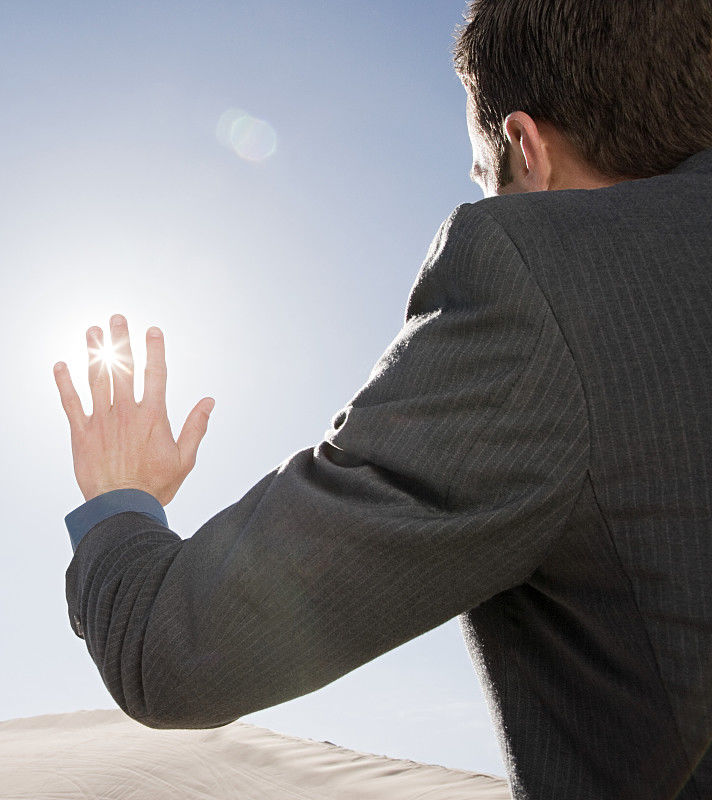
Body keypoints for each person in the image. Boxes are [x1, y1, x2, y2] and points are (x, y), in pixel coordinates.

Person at [51, 1, 712, 797]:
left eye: (482, 171)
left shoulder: (544, 281)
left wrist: (120, 502)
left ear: (524, 148)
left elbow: (172, 652)